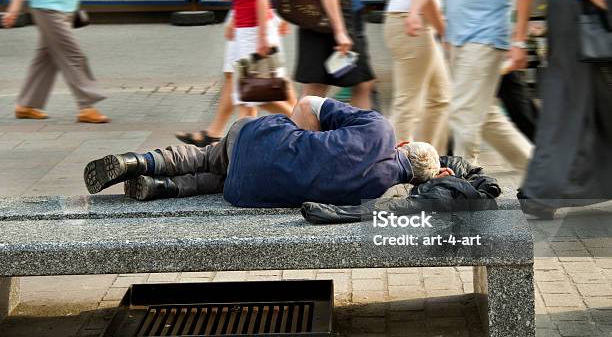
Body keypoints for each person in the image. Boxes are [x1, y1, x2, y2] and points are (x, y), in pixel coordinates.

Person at [84, 97, 453, 207]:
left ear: (404, 144)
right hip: (244, 193)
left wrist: (301, 138)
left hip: (253, 139)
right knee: (227, 176)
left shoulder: (379, 128)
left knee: (208, 155)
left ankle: (139, 162)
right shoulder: (375, 194)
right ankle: (159, 188)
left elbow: (309, 102)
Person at [406, 0, 534, 173]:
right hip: (457, 39)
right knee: (484, 117)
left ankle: (465, 187)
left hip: (486, 37)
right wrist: (414, 10)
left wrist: (520, 40)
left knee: (463, 116)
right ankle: (541, 172)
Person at [519, 0, 612, 218]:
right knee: (556, 129)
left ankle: (542, 195)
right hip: (563, 67)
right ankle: (540, 196)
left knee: (585, 132)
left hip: (594, 68)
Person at [176, 0, 293, 147]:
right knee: (248, 99)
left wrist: (263, 37)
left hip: (255, 30)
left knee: (256, 95)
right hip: (244, 30)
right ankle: (245, 150)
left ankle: (310, 128)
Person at [2, 0, 109, 123]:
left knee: (45, 59)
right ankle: (86, 105)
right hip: (48, 11)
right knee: (74, 55)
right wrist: (14, 10)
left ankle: (26, 105)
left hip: (64, 12)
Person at [384, 0, 450, 153]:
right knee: (408, 105)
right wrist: (446, 33)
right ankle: (394, 168)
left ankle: (427, 163)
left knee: (440, 98)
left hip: (415, 22)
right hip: (412, 23)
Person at [295, 0, 376, 109]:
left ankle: (358, 131)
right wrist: (339, 30)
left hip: (335, 12)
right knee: (316, 90)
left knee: (360, 83)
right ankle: (360, 131)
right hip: (329, 14)